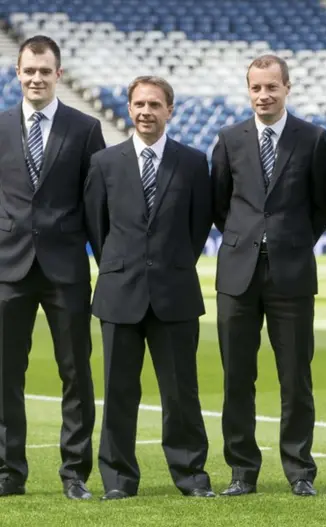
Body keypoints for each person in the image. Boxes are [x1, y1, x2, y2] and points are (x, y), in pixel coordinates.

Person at [83, 76, 214, 500]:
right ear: (128, 108)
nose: (145, 112)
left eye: (154, 104)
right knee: (119, 394)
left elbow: (198, 227)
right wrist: (123, 268)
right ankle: (119, 479)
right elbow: (97, 226)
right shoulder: (105, 163)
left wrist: (168, 265)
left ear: (169, 111)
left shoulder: (193, 163)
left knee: (181, 394)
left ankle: (191, 475)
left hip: (174, 293)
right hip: (120, 293)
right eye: (138, 104)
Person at [211, 55, 326, 497]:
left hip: (292, 274)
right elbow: (219, 204)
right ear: (249, 91)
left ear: (287, 88)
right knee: (237, 377)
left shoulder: (313, 138)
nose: (263, 96)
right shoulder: (228, 139)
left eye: (271, 88)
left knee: (295, 377)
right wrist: (247, 240)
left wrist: (290, 240)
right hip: (237, 275)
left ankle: (299, 470)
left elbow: (323, 205)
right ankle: (242, 470)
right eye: (256, 88)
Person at [0, 35, 104, 500]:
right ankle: (8, 472)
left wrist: (108, 266)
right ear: (17, 74)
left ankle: (74, 473)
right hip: (8, 267)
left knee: (76, 373)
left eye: (45, 71)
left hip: (66, 269)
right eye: (29, 71)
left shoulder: (84, 129)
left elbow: (95, 203)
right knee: (4, 374)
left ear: (58, 74)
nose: (37, 78)